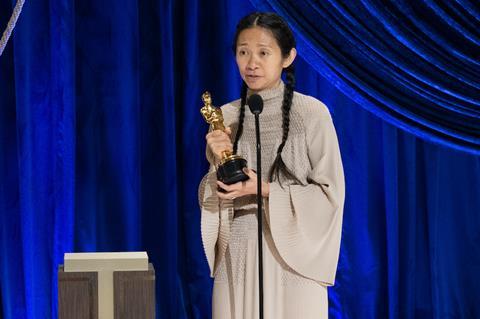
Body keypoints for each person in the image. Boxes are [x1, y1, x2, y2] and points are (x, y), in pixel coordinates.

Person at [198, 12, 345, 319]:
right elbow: (216, 200)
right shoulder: (226, 116)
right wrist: (216, 163)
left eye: (264, 52)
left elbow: (331, 194)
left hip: (294, 258)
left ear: (288, 57)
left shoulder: (312, 114)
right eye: (243, 52)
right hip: (238, 250)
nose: (252, 63)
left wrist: (263, 189)